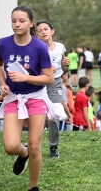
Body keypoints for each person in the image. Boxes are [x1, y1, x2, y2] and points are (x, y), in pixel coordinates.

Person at [0, 5, 55, 191]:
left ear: (31, 23)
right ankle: (23, 154)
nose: (17, 24)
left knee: (35, 146)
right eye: (14, 21)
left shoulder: (39, 47)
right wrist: (3, 83)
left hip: (36, 96)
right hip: (13, 97)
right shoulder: (3, 43)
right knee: (11, 146)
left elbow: (49, 78)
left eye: (21, 21)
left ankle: (33, 187)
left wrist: (25, 77)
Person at [36, 20, 69, 158]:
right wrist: (45, 71)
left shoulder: (60, 47)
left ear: (52, 31)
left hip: (56, 83)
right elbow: (32, 70)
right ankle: (33, 142)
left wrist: (64, 63)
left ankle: (53, 147)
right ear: (37, 34)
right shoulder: (36, 49)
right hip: (41, 83)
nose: (43, 32)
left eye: (45, 29)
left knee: (54, 114)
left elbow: (64, 65)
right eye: (40, 30)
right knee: (40, 114)